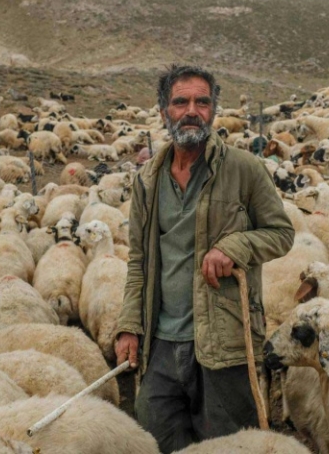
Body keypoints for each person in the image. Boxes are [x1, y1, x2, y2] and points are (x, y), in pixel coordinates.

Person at [115, 65, 294, 453]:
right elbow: (139, 261)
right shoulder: (147, 180)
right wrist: (129, 325)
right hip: (162, 343)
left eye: (202, 102)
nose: (192, 111)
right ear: (164, 111)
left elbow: (281, 233)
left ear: (213, 110)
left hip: (225, 341)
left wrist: (234, 248)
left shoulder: (243, 169)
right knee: (157, 435)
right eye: (181, 102)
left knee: (227, 444)